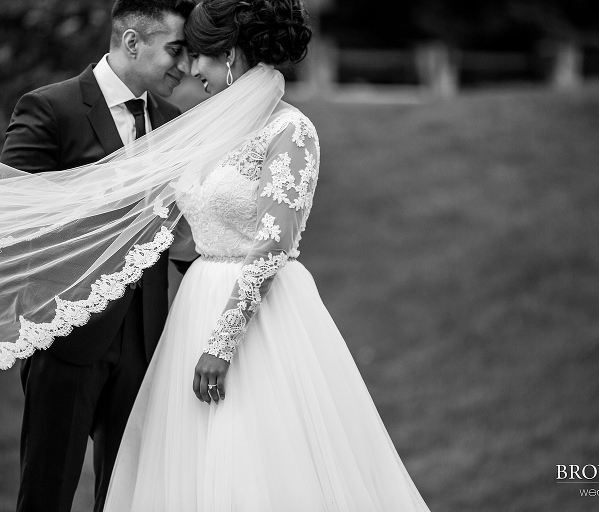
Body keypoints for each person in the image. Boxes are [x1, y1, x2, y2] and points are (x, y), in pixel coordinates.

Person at [101, 0, 432, 510]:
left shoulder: (290, 131)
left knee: (254, 460)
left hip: (255, 319)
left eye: (202, 58)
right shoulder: (209, 127)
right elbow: (190, 227)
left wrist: (223, 342)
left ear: (230, 55)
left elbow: (272, 246)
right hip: (195, 306)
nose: (191, 70)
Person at [0, 1, 196, 511]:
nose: (186, 66)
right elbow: (11, 219)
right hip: (67, 336)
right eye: (176, 49)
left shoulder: (173, 121)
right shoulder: (50, 108)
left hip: (146, 338)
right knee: (48, 492)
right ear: (132, 42)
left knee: (130, 494)